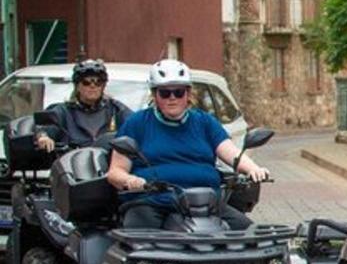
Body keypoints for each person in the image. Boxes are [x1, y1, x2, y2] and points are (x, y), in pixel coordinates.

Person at [106, 59, 270, 230]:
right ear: (154, 95)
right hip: (153, 202)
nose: (172, 98)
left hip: (205, 204)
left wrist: (253, 169)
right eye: (164, 93)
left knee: (250, 235)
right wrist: (130, 180)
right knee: (138, 243)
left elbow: (231, 152)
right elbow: (115, 172)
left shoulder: (205, 122)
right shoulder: (137, 123)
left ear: (188, 94)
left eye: (178, 92)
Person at [35, 59, 132, 151]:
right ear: (77, 86)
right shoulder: (63, 112)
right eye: (86, 82)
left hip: (108, 165)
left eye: (98, 82)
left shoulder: (117, 110)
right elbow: (44, 128)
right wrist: (43, 137)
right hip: (70, 165)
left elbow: (137, 125)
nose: (92, 86)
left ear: (103, 86)